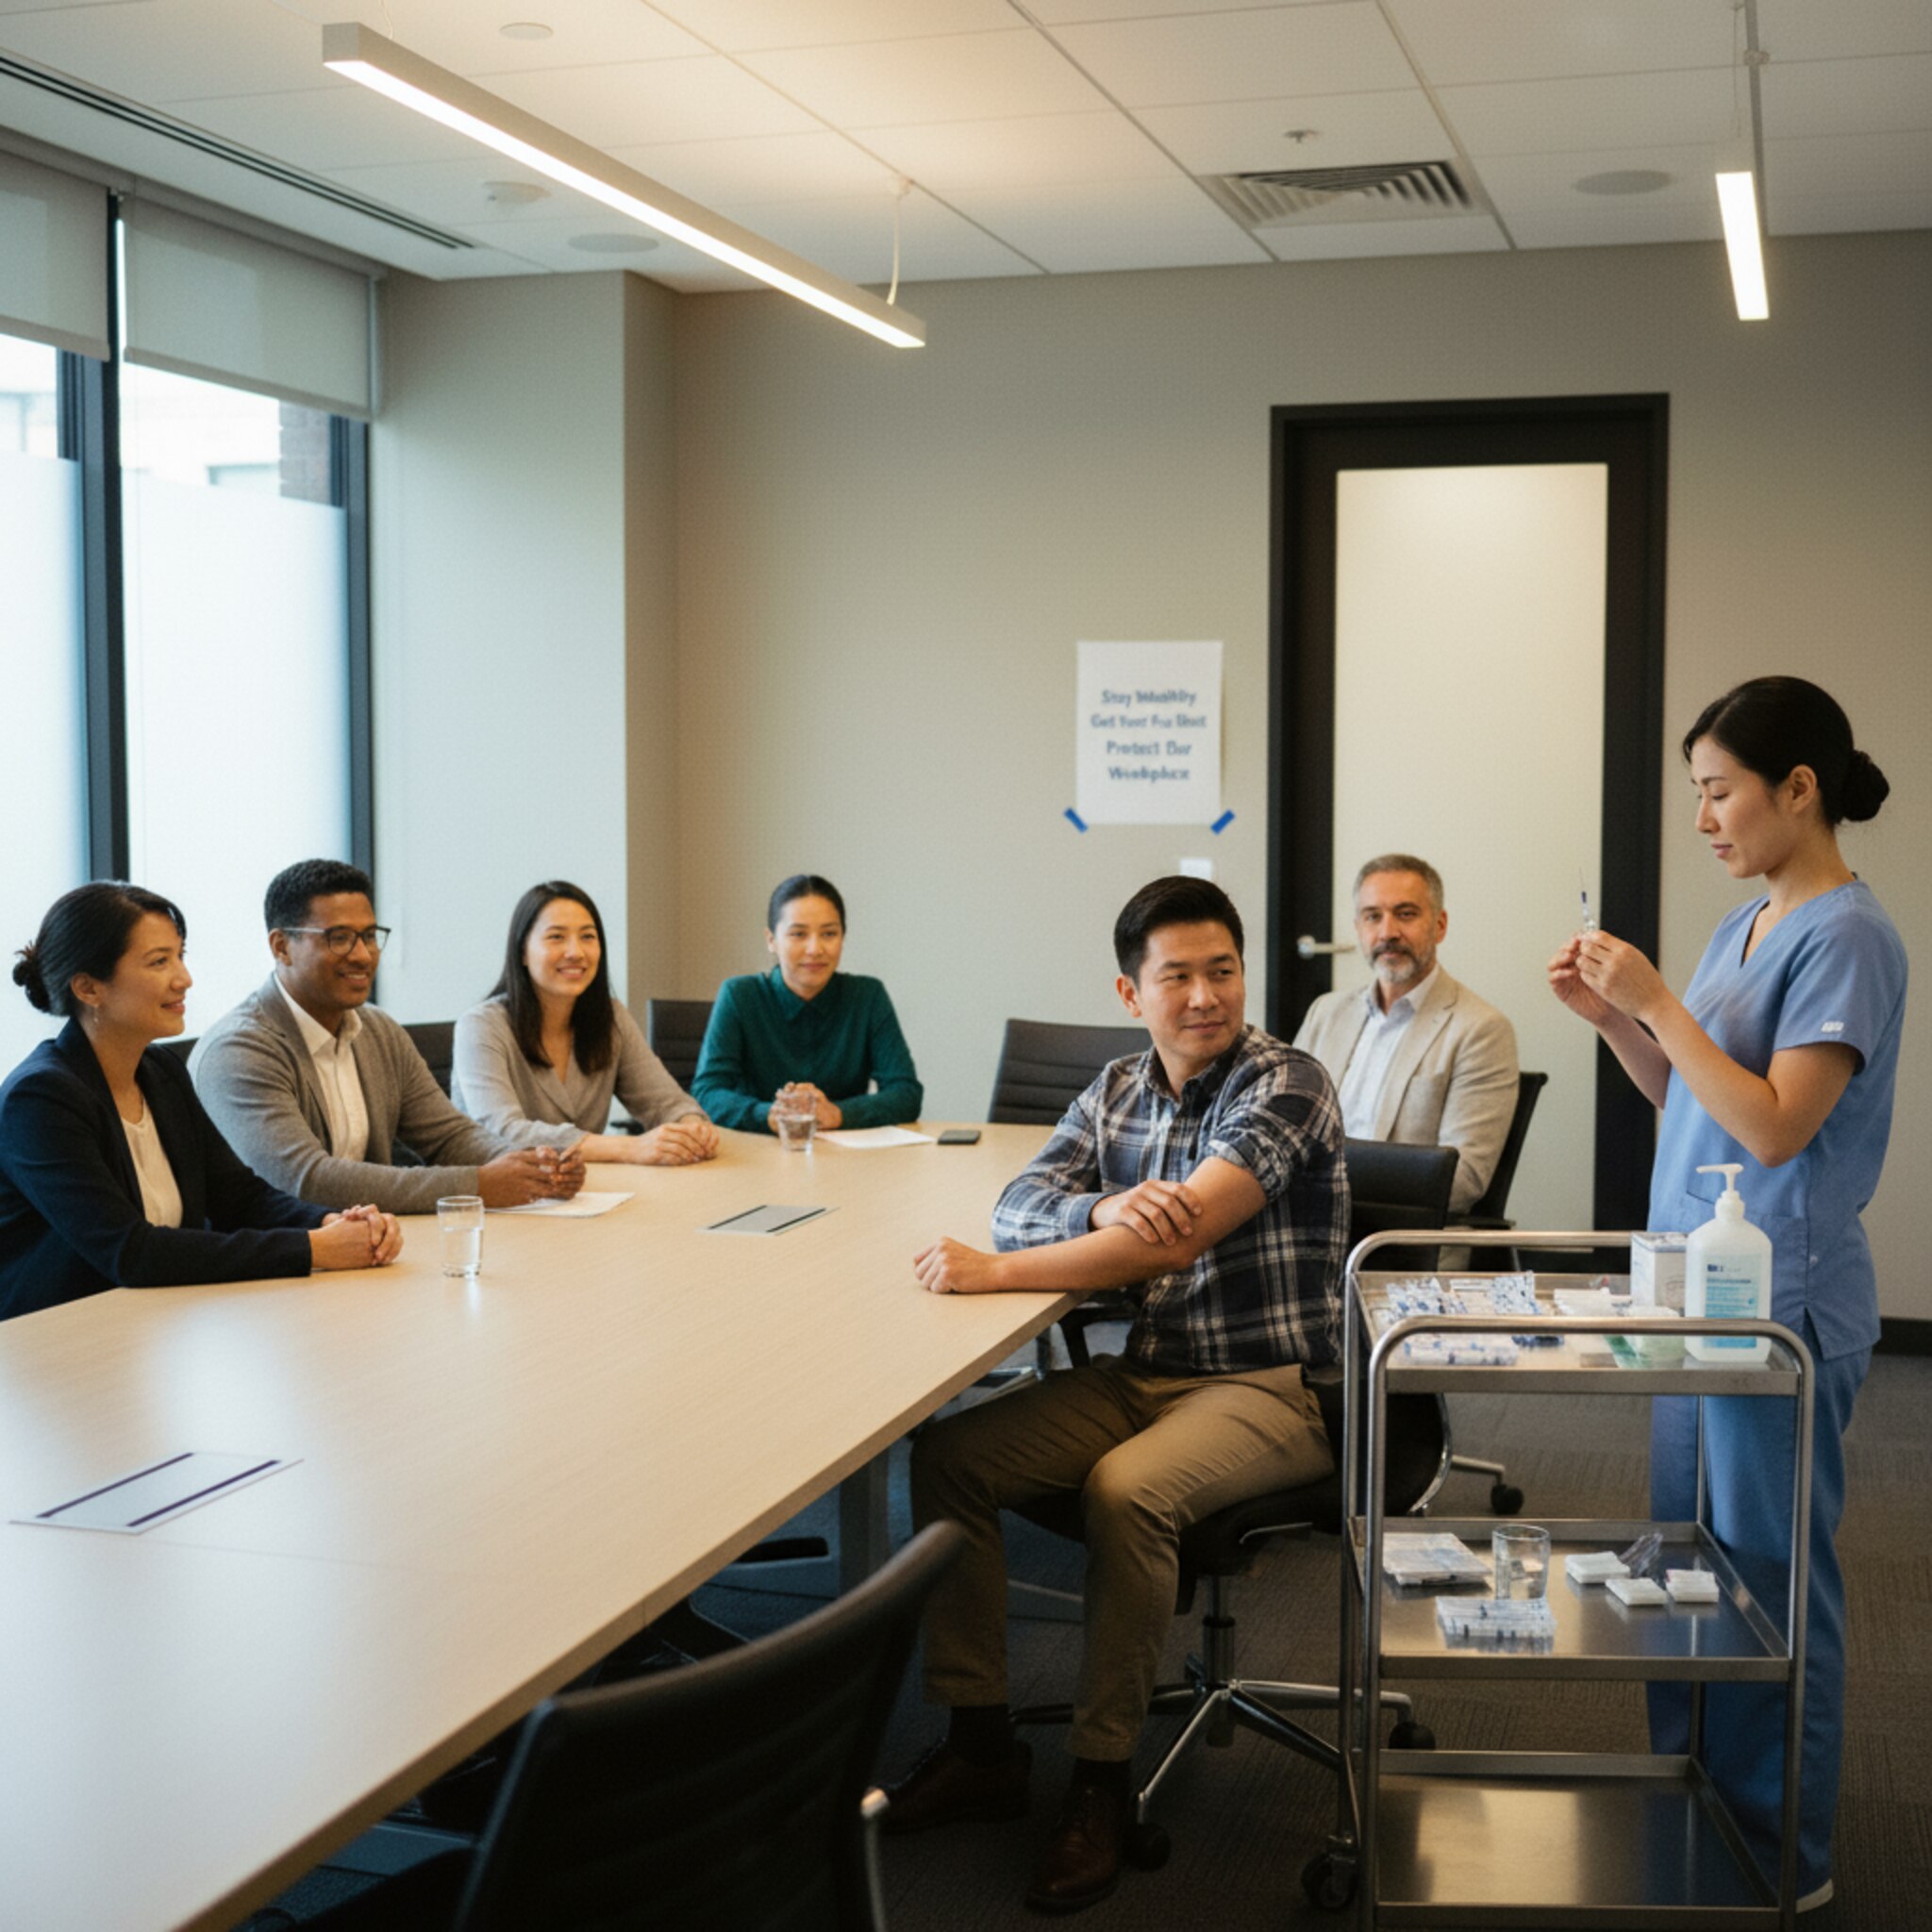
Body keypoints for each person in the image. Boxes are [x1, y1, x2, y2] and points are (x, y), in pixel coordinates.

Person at [889, 876, 1347, 1913]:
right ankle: (979, 1741)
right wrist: (1098, 1200)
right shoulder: (1115, 1086)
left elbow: (1178, 1229)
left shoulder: (1288, 1081)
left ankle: (1100, 1779)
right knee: (951, 1455)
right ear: (1128, 988)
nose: (1203, 996)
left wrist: (987, 1272)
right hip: (1143, 1369)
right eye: (1175, 975)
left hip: (1268, 1387)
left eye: (1220, 970)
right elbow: (1016, 1201)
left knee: (1124, 1490)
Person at [1548, 676, 1905, 1912]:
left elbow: (1772, 1127)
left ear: (1797, 790)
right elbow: (1692, 1101)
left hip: (1783, 1310)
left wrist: (1654, 1000)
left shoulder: (1849, 936)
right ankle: (1686, 1808)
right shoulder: (1740, 926)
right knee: (1686, 1567)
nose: (1703, 817)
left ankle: (1781, 1861)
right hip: (1696, 1297)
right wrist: (1615, 1022)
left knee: (1769, 1585)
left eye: (1719, 791)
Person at [1, 883, 401, 1323]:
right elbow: (129, 1252)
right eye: (158, 962)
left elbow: (240, 1197)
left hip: (161, 1321)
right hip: (58, 1338)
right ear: (88, 988)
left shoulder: (161, 1071)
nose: (183, 979)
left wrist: (331, 1223)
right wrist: (311, 1249)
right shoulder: (39, 1099)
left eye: (180, 956)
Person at [192, 860, 584, 1215]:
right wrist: (478, 1185)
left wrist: (535, 1166)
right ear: (282, 947)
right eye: (340, 937)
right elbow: (304, 1180)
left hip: (368, 1250)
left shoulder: (378, 1030)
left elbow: (449, 1135)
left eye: (369, 935)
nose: (363, 955)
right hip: (271, 1273)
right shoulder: (239, 1050)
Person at [1294, 853, 1519, 1213]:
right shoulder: (1326, 1013)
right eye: (1373, 917)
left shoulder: (1480, 1030)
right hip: (1305, 1227)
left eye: (1406, 914)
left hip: (1399, 1242)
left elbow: (1463, 1180)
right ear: (1358, 928)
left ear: (1440, 925)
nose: (1388, 933)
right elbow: (1285, 1126)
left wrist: (1324, 1192)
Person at [452, 881, 718, 1167]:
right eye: (556, 937)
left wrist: (690, 1127)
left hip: (584, 1193)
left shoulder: (611, 1017)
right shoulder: (481, 1026)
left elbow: (665, 1101)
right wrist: (628, 1148)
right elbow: (504, 1132)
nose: (576, 952)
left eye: (588, 937)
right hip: (492, 1199)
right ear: (522, 953)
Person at [691, 874, 923, 1134]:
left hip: (848, 1159)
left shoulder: (868, 996)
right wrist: (769, 1115)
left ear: (842, 938)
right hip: (756, 1155)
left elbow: (906, 1093)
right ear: (772, 940)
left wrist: (837, 1113)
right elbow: (706, 1093)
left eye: (829, 933)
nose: (815, 948)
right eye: (798, 934)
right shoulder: (739, 995)